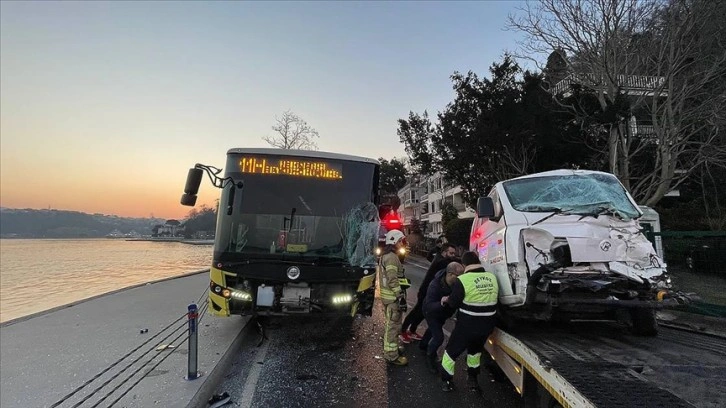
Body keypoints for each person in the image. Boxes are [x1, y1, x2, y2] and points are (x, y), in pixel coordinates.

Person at [440, 251, 499, 392]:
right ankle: (473, 380)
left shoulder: (463, 280)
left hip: (467, 326)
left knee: (451, 353)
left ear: (464, 264)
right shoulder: (492, 277)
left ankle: (446, 381)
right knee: (475, 352)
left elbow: (453, 302)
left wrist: (445, 300)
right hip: (486, 326)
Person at [400, 243, 458, 343]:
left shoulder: (441, 258)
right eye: (451, 253)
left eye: (454, 253)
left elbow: (432, 256)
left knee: (423, 313)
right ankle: (403, 331)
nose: (453, 255)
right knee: (416, 311)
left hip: (430, 291)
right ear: (444, 252)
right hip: (425, 291)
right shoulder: (441, 261)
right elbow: (451, 264)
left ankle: (412, 330)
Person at [420, 261, 464, 373]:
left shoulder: (456, 284)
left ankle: (423, 344)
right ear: (450, 274)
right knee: (438, 336)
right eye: (459, 276)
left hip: (443, 314)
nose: (461, 278)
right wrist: (442, 303)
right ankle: (430, 357)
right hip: (431, 312)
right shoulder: (435, 285)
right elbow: (430, 306)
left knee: (433, 329)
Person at [378, 229, 409, 366]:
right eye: (401, 241)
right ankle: (391, 356)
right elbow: (392, 279)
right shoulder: (391, 257)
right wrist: (400, 296)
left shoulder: (388, 255)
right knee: (393, 327)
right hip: (393, 299)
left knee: (393, 325)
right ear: (395, 241)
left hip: (389, 298)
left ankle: (394, 349)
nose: (403, 243)